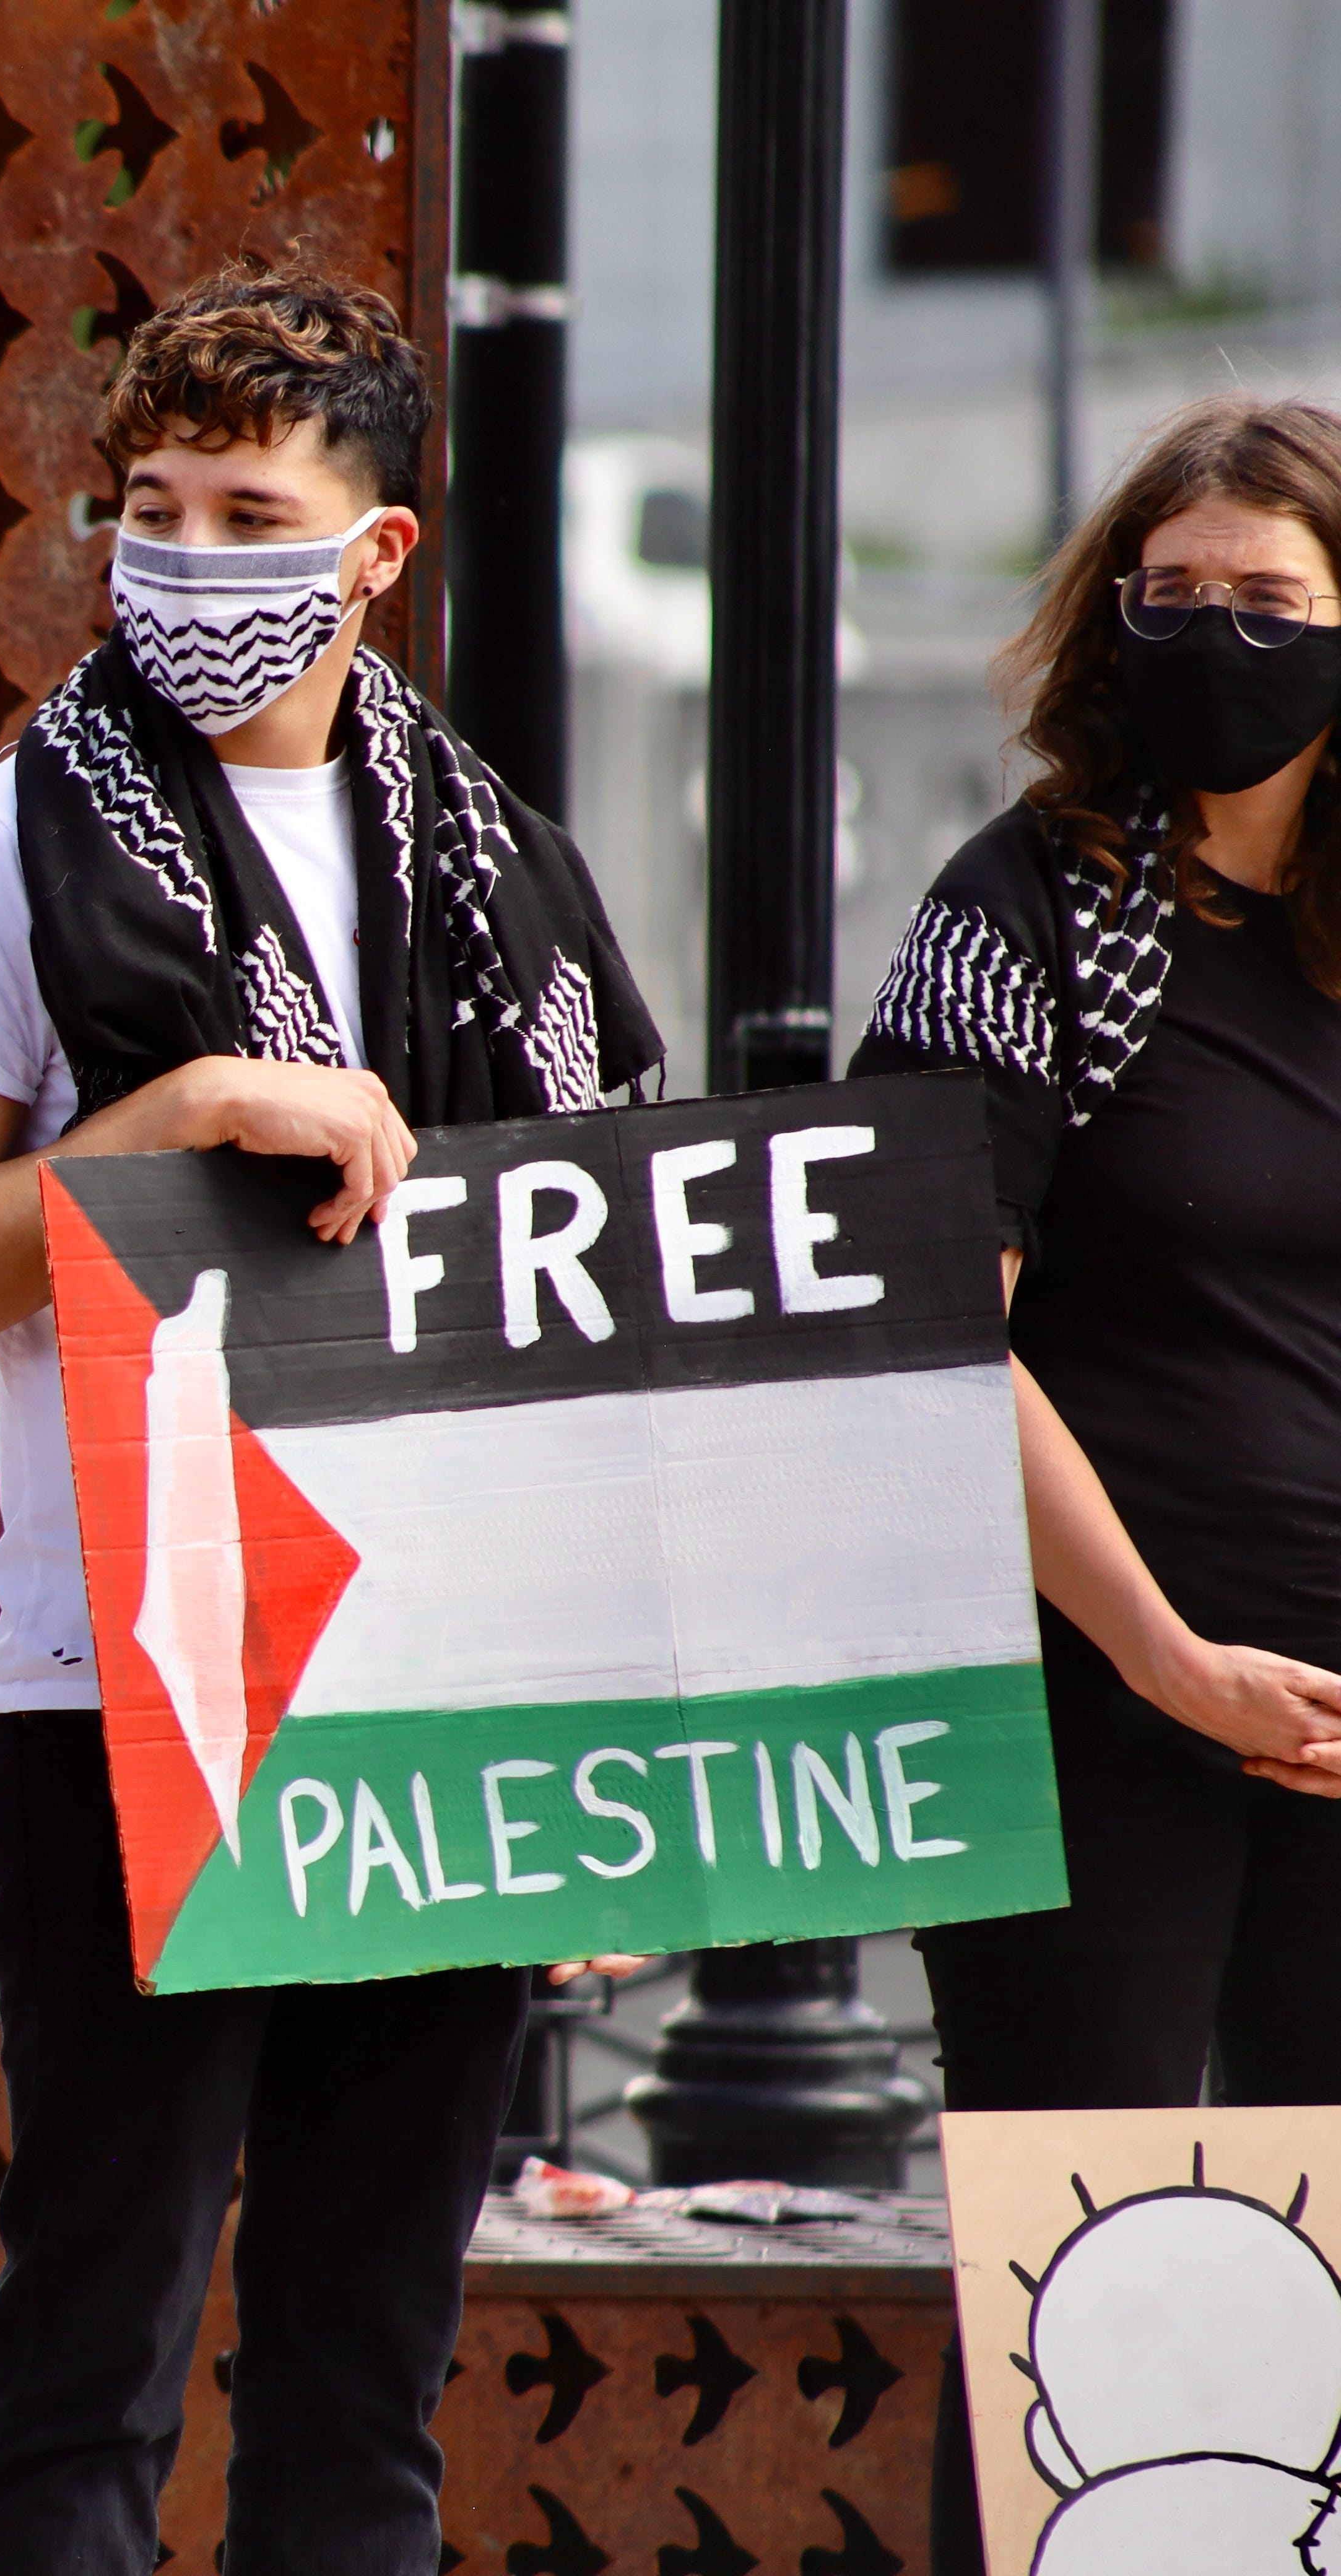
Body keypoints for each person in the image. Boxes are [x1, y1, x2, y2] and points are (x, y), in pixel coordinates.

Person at [0, 259, 662, 2573]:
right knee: (87, 2363)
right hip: (135, 1689)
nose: (187, 559)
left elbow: (617, 1318)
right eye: (154, 509)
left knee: (363, 2380)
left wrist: (629, 1761)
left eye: (249, 515)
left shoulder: (516, 875)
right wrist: (170, 1120)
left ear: (377, 552)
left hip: (454, 1697)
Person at [848, 394, 1341, 2571]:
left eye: (1273, 601)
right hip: (1082, 1700)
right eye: (1175, 594)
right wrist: (1162, 1654)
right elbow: (928, 1331)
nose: (1219, 638)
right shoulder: (1029, 909)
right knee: (1080, 2272)